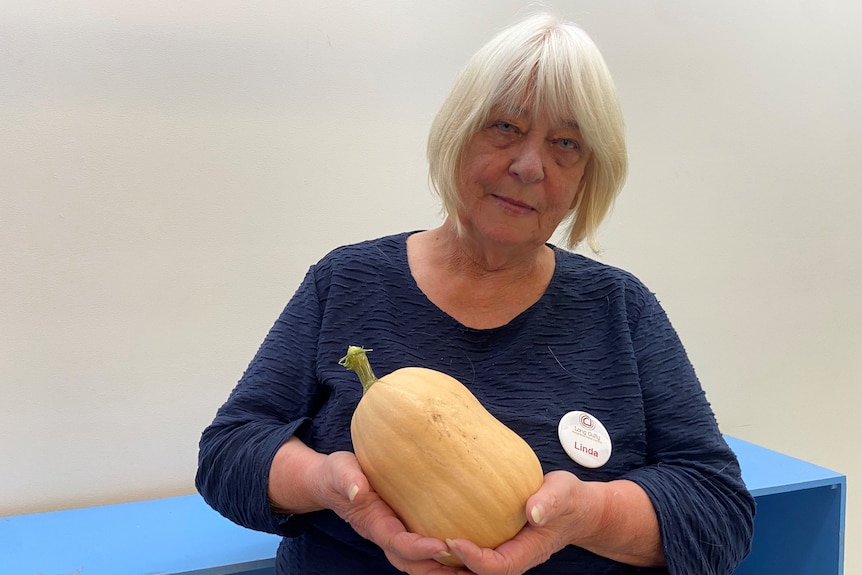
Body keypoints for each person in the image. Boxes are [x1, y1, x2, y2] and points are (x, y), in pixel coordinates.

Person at [196, 12, 755, 575]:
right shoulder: (345, 281)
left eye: (566, 143)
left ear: (587, 177)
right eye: (506, 127)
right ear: (458, 133)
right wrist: (332, 483)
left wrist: (586, 513)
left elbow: (717, 513)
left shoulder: (620, 308)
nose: (529, 166)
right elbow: (228, 455)